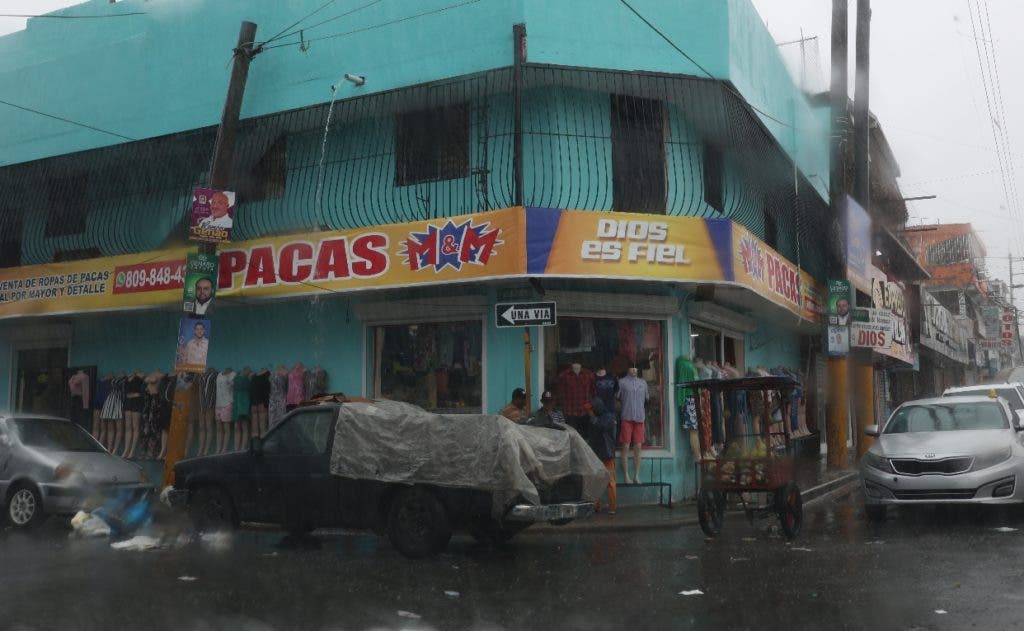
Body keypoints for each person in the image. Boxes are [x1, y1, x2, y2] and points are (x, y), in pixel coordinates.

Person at [585, 396, 618, 514]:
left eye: (592, 409)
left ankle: (612, 507)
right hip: (596, 453)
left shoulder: (608, 417)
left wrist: (592, 417)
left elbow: (602, 427)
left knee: (610, 482)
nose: (590, 411)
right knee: (596, 481)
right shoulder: (596, 417)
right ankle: (596, 505)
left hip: (607, 453)